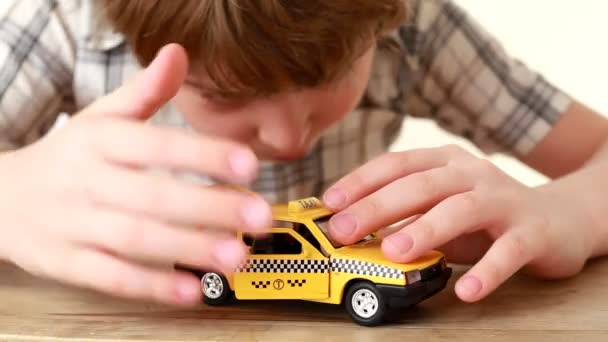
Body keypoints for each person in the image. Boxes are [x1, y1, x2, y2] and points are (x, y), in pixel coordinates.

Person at [1, 0, 607, 309]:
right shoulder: (65, 20)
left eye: (335, 73)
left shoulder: (408, 22)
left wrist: (573, 210)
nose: (288, 138)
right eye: (219, 94)